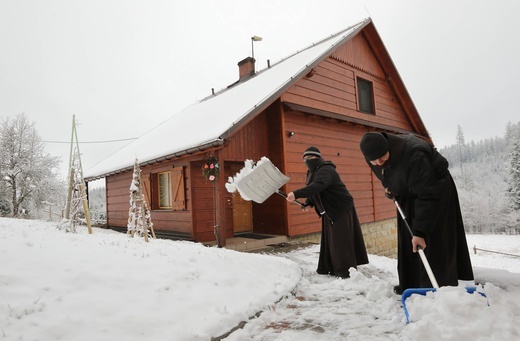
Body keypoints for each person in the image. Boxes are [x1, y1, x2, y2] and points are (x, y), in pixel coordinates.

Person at [359, 132, 474, 294]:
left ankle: (439, 288)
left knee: (432, 237)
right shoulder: (374, 156)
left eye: (382, 157)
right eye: (374, 160)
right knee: (408, 235)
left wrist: (420, 232)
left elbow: (427, 196)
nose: (378, 163)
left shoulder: (414, 155)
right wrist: (390, 188)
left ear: (388, 148)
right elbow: (386, 174)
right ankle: (411, 283)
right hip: (408, 189)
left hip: (435, 190)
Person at [286, 146, 369, 278]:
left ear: (318, 157)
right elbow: (314, 191)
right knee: (330, 240)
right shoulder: (311, 172)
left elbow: (319, 185)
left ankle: (345, 271)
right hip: (329, 210)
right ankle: (328, 267)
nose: (308, 161)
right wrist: (309, 203)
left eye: (310, 158)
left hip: (340, 207)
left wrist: (296, 194)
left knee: (340, 240)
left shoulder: (326, 170)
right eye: (305, 159)